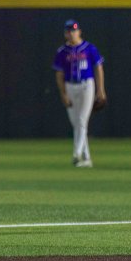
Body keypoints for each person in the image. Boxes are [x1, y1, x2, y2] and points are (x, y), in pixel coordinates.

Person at [53, 18, 106, 168]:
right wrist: (63, 94)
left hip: (86, 85)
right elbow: (59, 74)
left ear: (79, 32)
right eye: (69, 31)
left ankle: (76, 154)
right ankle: (87, 158)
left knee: (82, 120)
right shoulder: (62, 52)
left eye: (74, 30)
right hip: (70, 86)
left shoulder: (89, 48)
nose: (72, 33)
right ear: (65, 34)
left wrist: (101, 89)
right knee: (77, 124)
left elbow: (98, 68)